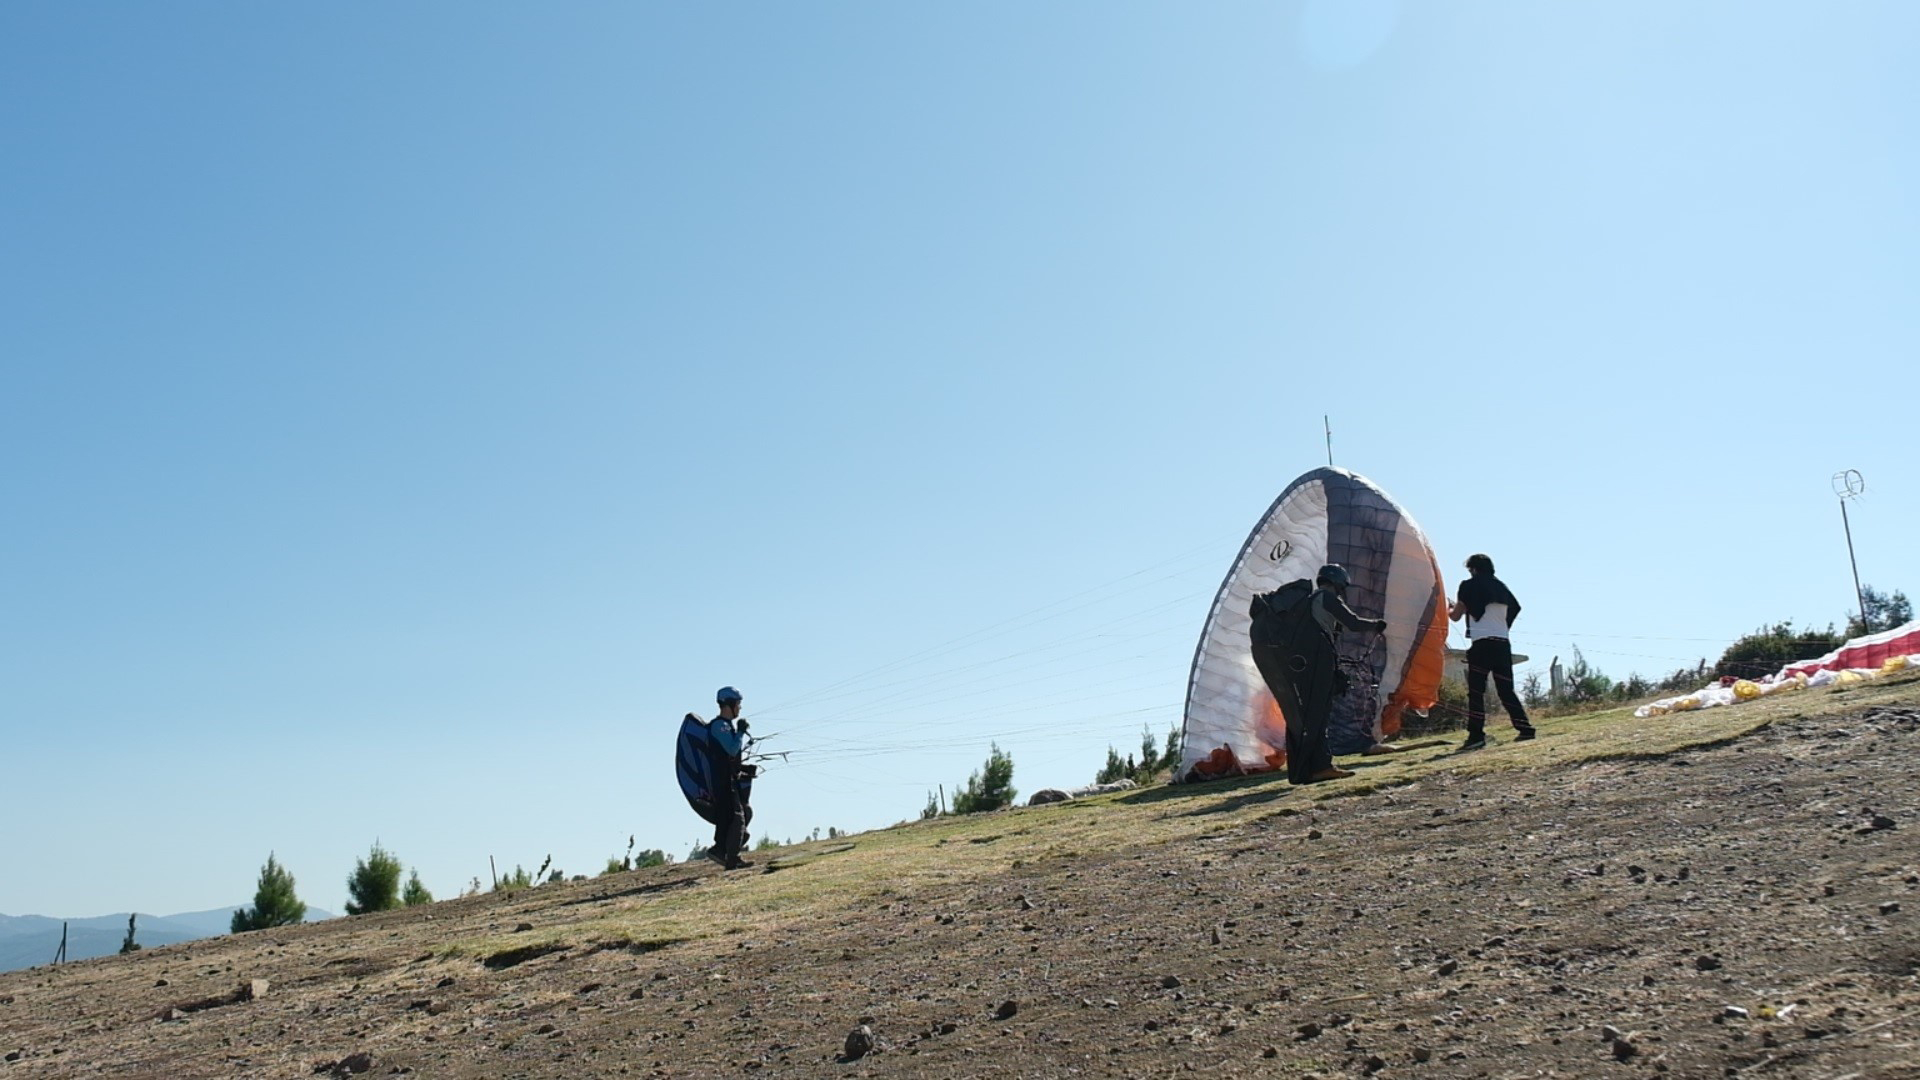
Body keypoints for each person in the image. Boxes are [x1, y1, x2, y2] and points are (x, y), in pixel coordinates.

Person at [1250, 564, 1388, 785]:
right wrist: (1377, 625)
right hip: (1318, 658)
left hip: (1302, 662)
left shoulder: (1308, 602)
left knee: (1305, 716)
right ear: (1339, 582)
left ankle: (1304, 770)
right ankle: (1322, 767)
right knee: (1319, 714)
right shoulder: (1326, 597)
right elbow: (1352, 623)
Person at [1448, 554, 1537, 749]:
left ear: (1473, 569)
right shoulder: (1501, 587)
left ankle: (1476, 735)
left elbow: (1455, 616)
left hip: (1481, 645)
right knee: (1506, 690)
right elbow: (1515, 607)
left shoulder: (1468, 586)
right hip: (1502, 643)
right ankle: (1525, 728)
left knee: (1476, 692)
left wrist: (1448, 608)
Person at [705, 686, 754, 869]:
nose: (740, 708)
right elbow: (732, 749)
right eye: (738, 704)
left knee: (744, 813)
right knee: (736, 818)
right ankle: (728, 856)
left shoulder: (726, 727)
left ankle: (726, 851)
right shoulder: (719, 726)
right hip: (721, 781)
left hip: (730, 779)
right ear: (730, 704)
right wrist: (740, 732)